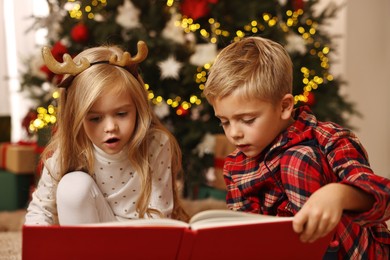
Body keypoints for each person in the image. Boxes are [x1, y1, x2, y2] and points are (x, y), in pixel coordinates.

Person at [203, 36, 390, 259]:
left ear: (284, 106)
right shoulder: (236, 167)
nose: (234, 133)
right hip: (287, 251)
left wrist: (338, 194)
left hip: (358, 252)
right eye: (224, 122)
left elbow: (383, 197)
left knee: (297, 160)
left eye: (248, 120)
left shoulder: (329, 138)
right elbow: (249, 237)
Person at [25, 41, 188, 225]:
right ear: (77, 118)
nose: (110, 127)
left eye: (121, 114)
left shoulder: (157, 143)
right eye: (95, 118)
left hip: (142, 242)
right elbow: (39, 211)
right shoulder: (68, 150)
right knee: (73, 186)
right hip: (91, 246)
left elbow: (160, 217)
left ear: (138, 108)